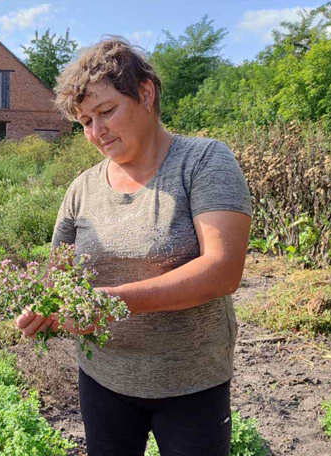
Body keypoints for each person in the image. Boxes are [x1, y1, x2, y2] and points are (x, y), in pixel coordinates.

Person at [16, 37, 252, 456]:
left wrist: (114, 302)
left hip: (191, 383)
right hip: (103, 380)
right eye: (85, 121)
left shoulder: (203, 162)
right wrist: (44, 308)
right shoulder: (82, 188)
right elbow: (58, 277)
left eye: (106, 111)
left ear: (146, 94)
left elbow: (223, 269)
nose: (96, 131)